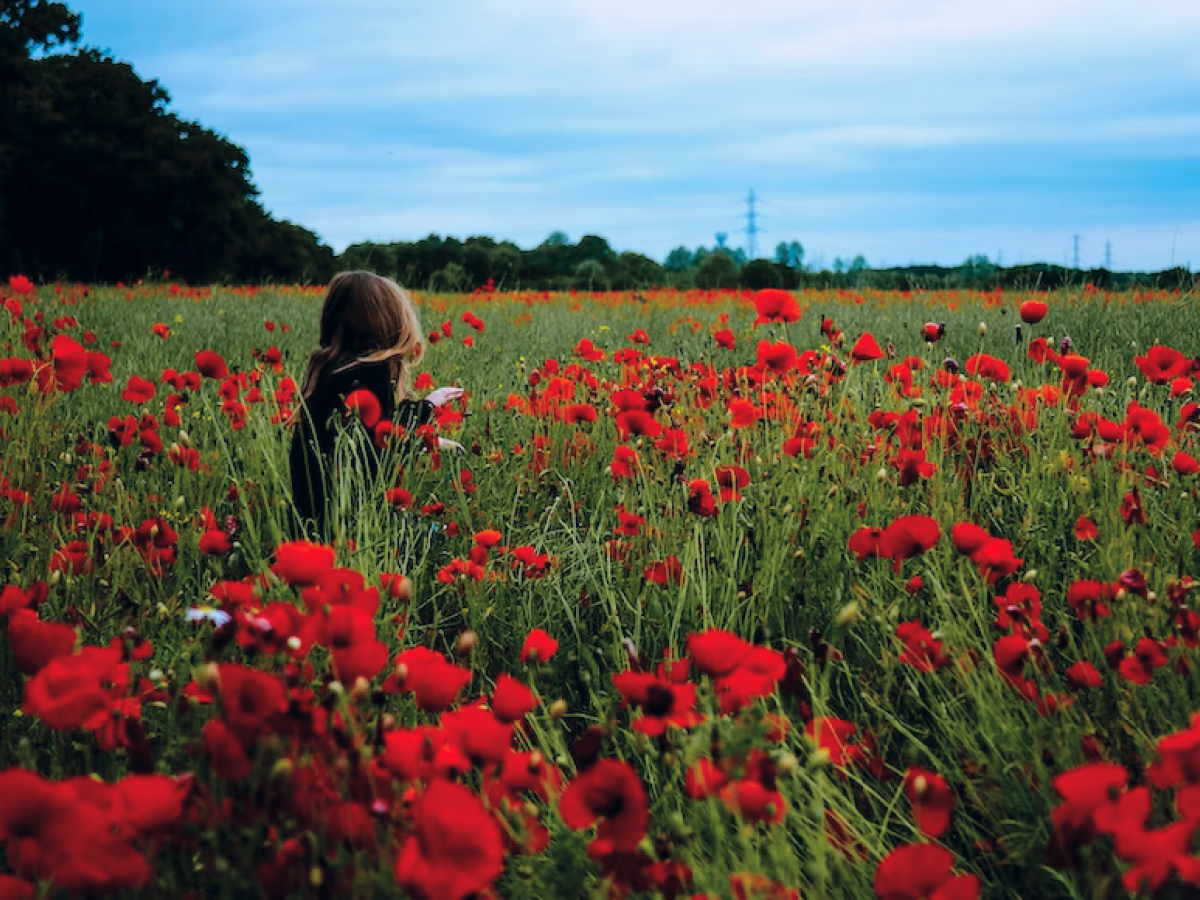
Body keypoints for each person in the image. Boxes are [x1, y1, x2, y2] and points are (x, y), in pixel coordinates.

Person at [290, 271, 463, 535]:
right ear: (388, 324)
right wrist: (427, 407)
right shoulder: (370, 375)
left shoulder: (329, 373)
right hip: (351, 524)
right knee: (443, 535)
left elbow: (369, 432)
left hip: (312, 520)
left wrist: (432, 439)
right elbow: (380, 448)